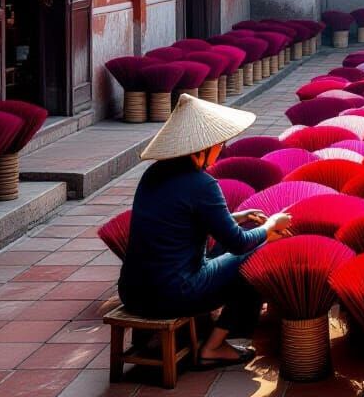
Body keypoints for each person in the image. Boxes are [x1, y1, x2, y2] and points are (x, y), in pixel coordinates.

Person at [118, 94, 292, 368]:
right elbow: (238, 243)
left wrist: (238, 216)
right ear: (202, 148)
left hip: (132, 292)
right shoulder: (202, 184)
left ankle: (213, 336)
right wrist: (270, 226)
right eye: (219, 144)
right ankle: (213, 347)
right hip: (175, 294)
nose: (221, 149)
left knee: (240, 241)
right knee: (257, 256)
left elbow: (181, 221)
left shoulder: (152, 174)